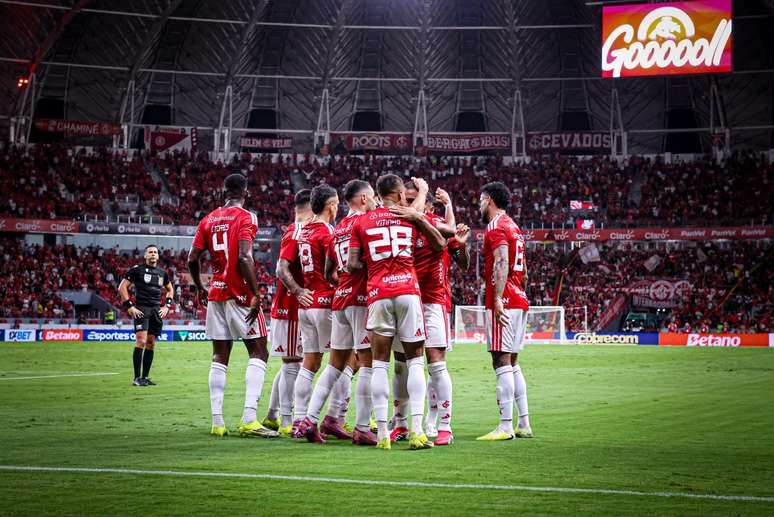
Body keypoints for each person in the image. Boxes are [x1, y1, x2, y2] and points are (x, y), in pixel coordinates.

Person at [348, 174, 446, 450]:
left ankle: (382, 435)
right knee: (415, 360)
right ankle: (417, 431)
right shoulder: (409, 217)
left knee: (379, 363)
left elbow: (353, 264)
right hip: (408, 291)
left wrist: (376, 265)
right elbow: (440, 245)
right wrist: (418, 218)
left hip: (378, 293)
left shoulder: (363, 221)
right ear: (400, 193)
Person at [187, 173, 278, 438]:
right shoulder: (246, 217)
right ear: (246, 193)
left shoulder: (208, 219)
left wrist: (198, 286)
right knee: (259, 351)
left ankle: (217, 422)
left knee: (219, 356)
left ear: (223, 193)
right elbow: (245, 256)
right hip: (239, 294)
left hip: (216, 292)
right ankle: (249, 418)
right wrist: (255, 293)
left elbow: (193, 258)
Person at [300, 179, 378, 445]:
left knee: (335, 365)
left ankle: (310, 420)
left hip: (340, 300)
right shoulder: (364, 223)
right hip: (359, 300)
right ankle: (362, 428)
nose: (376, 202)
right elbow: (361, 262)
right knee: (367, 363)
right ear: (363, 199)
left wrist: (341, 283)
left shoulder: (340, 227)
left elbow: (327, 272)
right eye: (373, 197)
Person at [276, 184, 339, 437]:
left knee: (309, 363)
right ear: (331, 205)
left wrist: (299, 291)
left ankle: (299, 421)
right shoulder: (326, 232)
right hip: (324, 302)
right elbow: (333, 271)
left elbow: (285, 267)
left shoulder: (303, 232)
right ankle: (334, 416)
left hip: (306, 304)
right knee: (344, 362)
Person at [476, 181, 533, 441]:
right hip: (519, 296)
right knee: (513, 362)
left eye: (480, 200)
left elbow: (501, 261)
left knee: (500, 361)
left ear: (489, 200)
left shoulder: (496, 226)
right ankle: (524, 423)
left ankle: (505, 426)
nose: (478, 205)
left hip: (505, 298)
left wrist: (497, 298)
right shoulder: (514, 227)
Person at [262, 189, 312, 436]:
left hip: (291, 306)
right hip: (291, 306)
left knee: (290, 363)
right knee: (292, 363)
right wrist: (299, 291)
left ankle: (272, 414)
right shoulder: (297, 232)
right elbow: (281, 269)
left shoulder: (297, 230)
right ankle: (286, 420)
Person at [118, 244, 174, 386]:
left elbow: (170, 290)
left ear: (158, 256)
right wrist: (129, 306)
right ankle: (136, 378)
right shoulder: (137, 270)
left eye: (155, 252)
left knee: (151, 344)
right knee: (141, 342)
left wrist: (167, 306)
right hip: (142, 309)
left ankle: (145, 377)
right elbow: (122, 287)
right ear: (145, 255)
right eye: (150, 252)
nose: (153, 254)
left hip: (156, 310)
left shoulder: (162, 273)